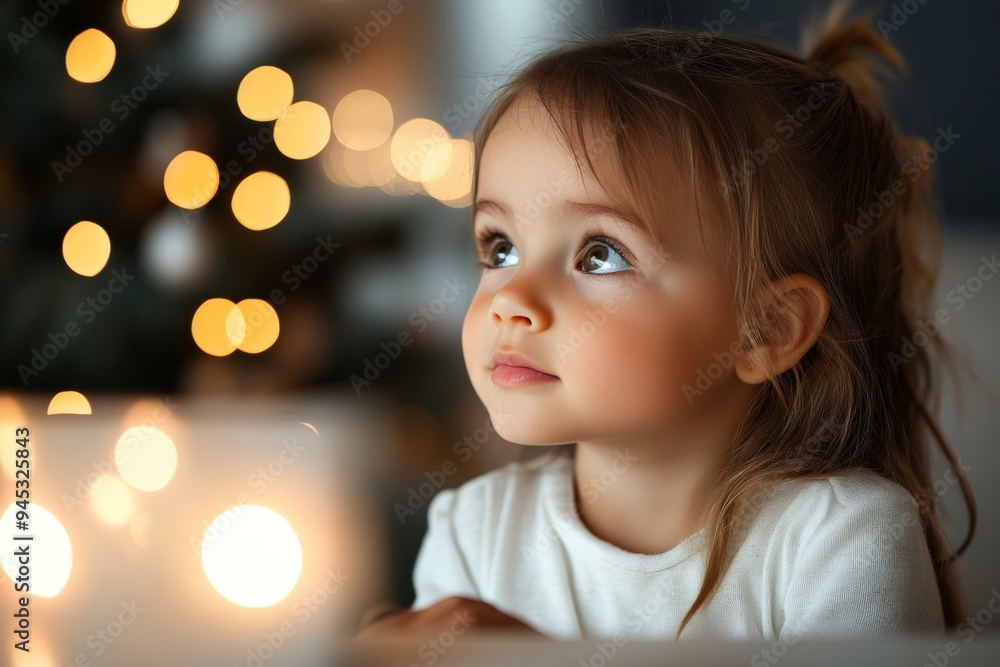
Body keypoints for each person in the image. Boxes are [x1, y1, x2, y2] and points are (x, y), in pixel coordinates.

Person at [357, 0, 976, 642]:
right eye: (500, 247)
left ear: (767, 329)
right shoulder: (475, 530)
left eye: (599, 255)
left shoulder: (841, 538)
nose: (512, 299)